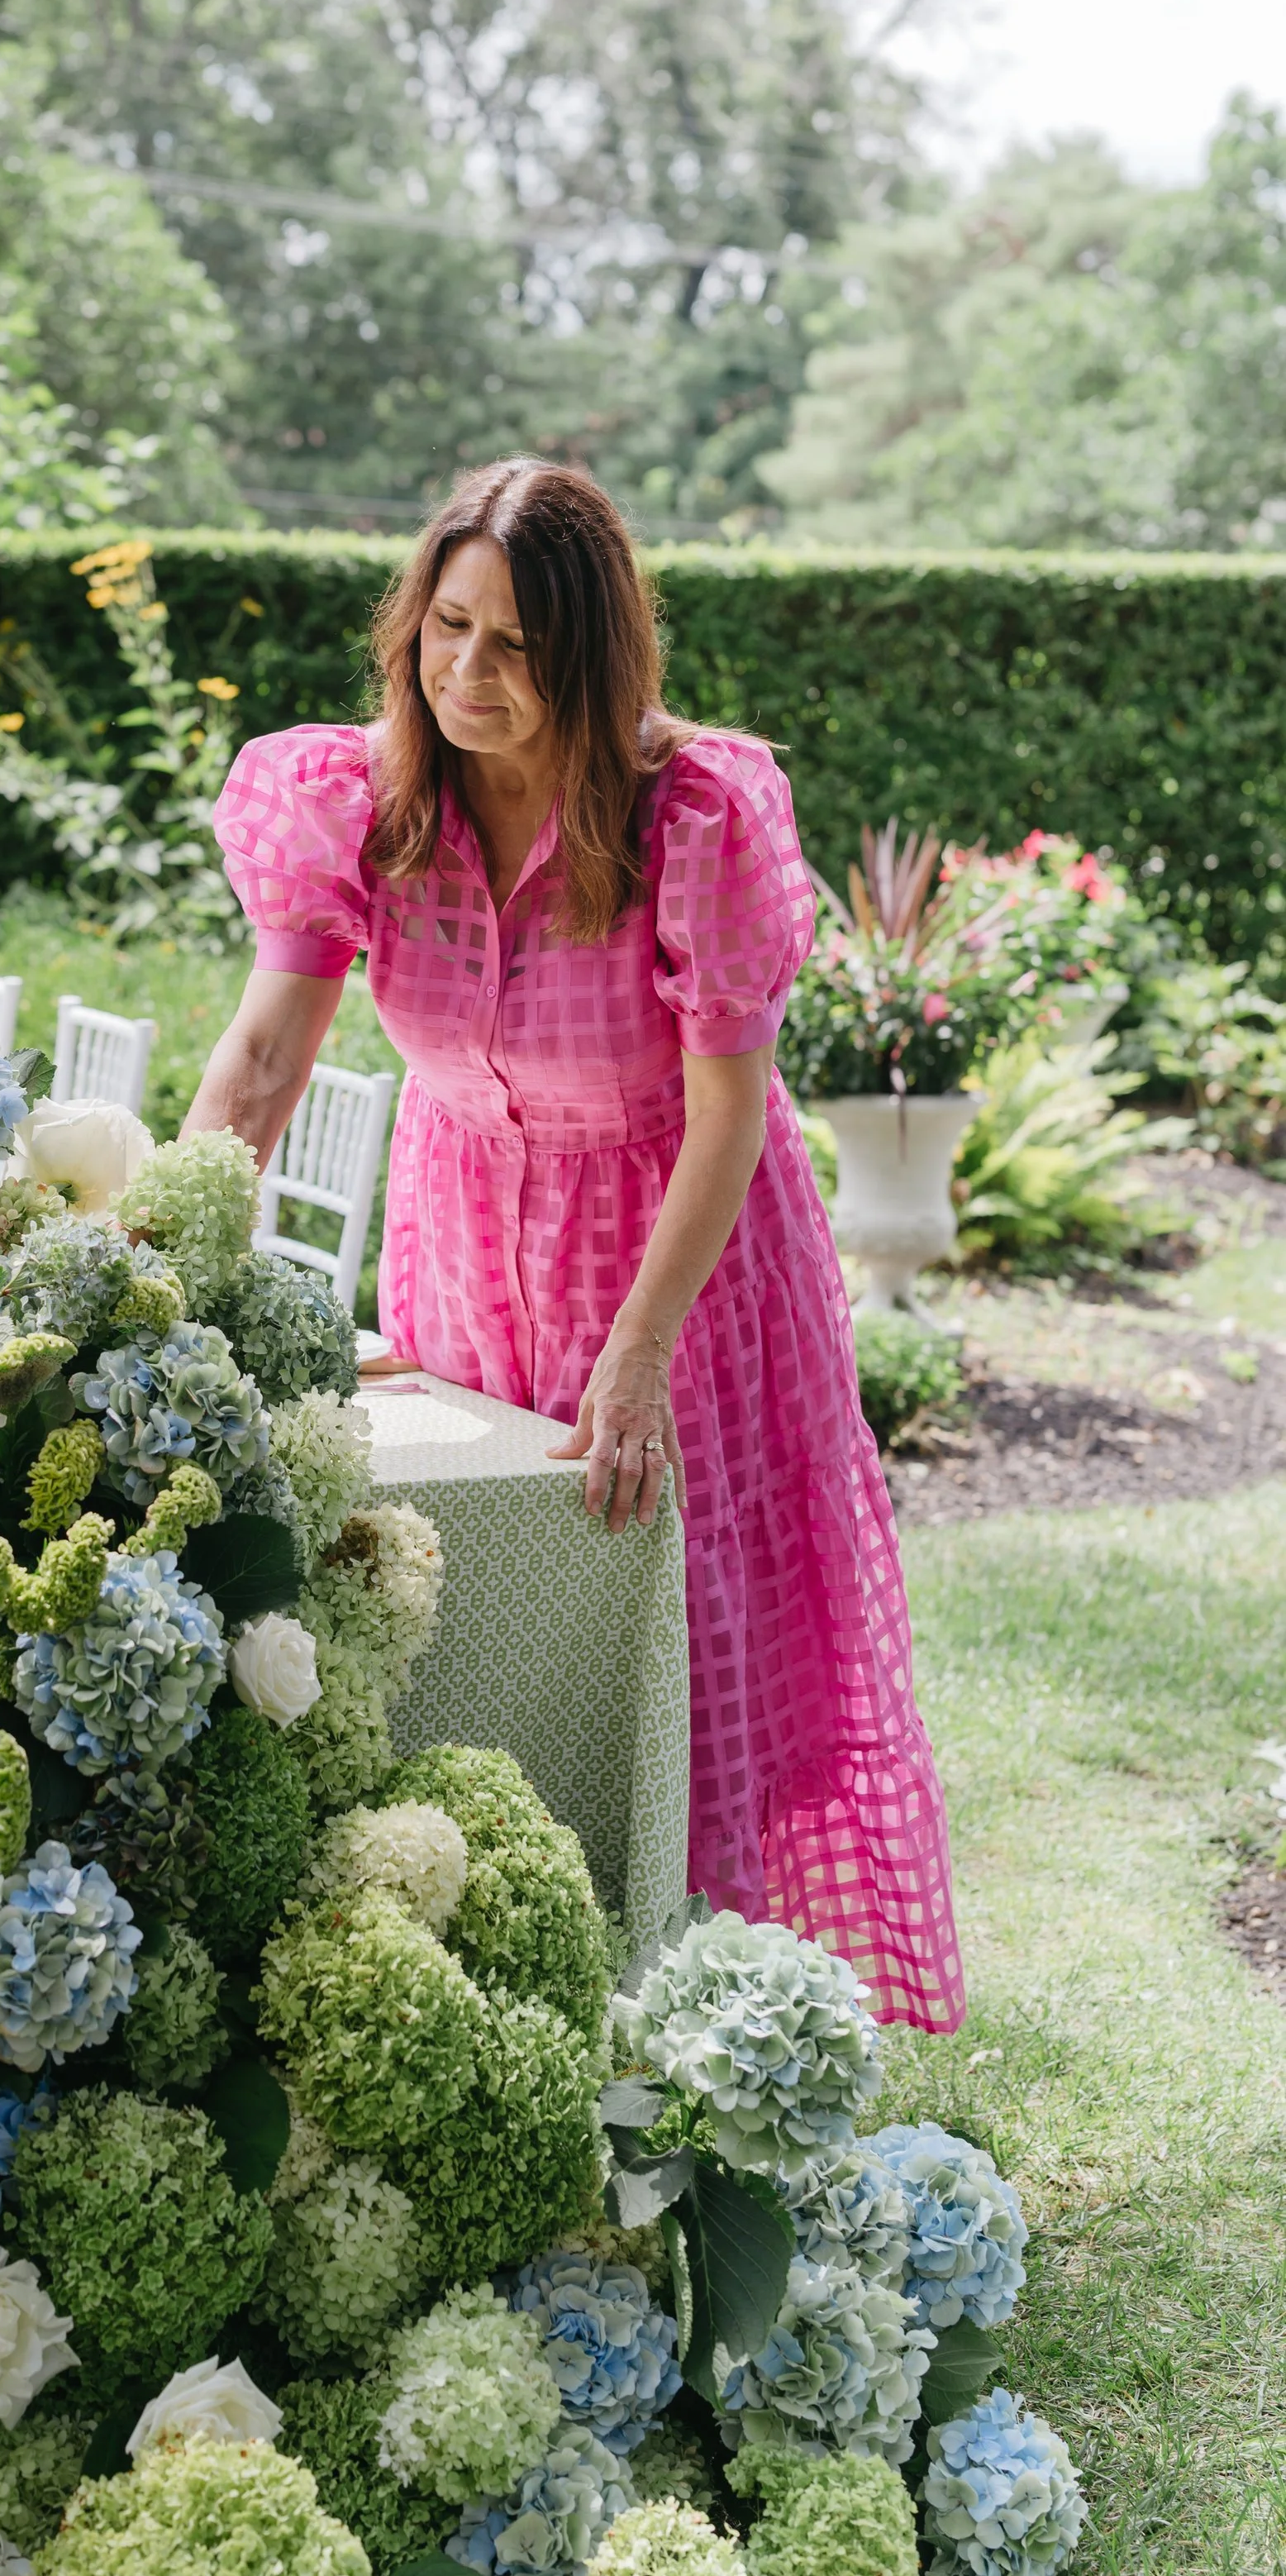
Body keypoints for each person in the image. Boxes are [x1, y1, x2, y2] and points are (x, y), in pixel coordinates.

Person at [185, 458, 963, 2030]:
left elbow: (731, 1112)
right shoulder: (355, 801)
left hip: (684, 1259)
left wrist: (638, 1346)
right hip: (465, 1239)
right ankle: (511, 1993)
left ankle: (701, 2020)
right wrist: (163, 1252)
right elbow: (263, 1062)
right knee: (482, 1605)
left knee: (693, 1625)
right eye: (447, 629)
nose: (470, 676)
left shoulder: (697, 814)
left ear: (592, 656)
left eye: (520, 648)